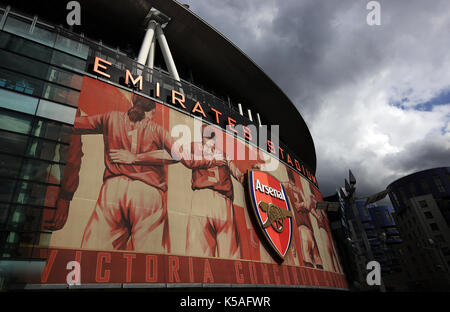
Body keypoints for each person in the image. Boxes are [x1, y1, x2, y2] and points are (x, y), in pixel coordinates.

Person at [46, 96, 220, 253]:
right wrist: (137, 158)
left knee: (92, 257)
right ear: (152, 112)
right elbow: (183, 158)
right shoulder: (157, 130)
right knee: (149, 262)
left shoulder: (111, 117)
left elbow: (74, 124)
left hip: (112, 191)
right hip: (148, 194)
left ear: (132, 102)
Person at [185, 124, 245, 258]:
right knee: (230, 256)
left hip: (201, 199)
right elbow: (239, 175)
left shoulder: (193, 146)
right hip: (223, 202)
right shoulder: (223, 154)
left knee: (198, 257)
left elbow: (186, 160)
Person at [283, 170, 323, 269]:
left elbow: (305, 205)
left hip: (303, 230)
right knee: (317, 259)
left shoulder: (289, 187)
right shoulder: (298, 190)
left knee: (309, 260)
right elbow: (308, 206)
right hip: (309, 231)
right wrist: (317, 216)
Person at [310, 202, 343, 273]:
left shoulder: (316, 204)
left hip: (325, 229)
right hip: (323, 229)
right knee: (330, 257)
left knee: (332, 255)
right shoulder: (313, 204)